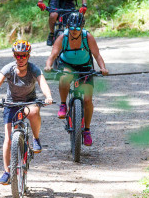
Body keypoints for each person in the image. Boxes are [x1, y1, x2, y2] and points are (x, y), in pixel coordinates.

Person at [0, 40, 53, 185]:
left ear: (28, 56)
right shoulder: (8, 68)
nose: (20, 58)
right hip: (11, 103)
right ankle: (7, 171)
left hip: (29, 101)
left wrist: (48, 97)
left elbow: (42, 83)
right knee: (8, 139)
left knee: (33, 112)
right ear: (14, 55)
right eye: (18, 55)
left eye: (23, 55)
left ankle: (36, 139)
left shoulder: (33, 69)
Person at [44, 12, 108, 147]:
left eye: (77, 28)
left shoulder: (87, 37)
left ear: (82, 27)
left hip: (85, 66)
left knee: (88, 100)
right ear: (67, 27)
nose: (74, 31)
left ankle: (87, 130)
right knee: (65, 77)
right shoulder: (63, 37)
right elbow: (53, 55)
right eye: (71, 28)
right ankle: (63, 104)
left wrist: (103, 68)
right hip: (67, 65)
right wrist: (48, 66)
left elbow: (97, 55)